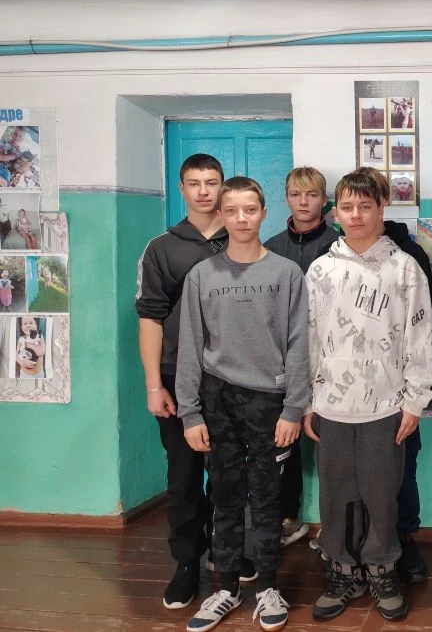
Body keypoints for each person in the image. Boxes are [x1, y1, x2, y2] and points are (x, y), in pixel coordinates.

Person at [175, 176, 307, 632]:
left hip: (270, 401)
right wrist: (190, 413)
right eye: (231, 210)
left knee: (268, 499)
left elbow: (298, 344)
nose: (241, 218)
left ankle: (268, 586)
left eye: (250, 209)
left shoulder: (286, 274)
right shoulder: (202, 275)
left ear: (264, 213)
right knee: (225, 498)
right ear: (221, 216)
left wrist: (293, 407)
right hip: (218, 399)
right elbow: (191, 346)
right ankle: (226, 588)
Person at [305, 169, 432, 623]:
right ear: (335, 213)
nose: (356, 214)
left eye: (365, 206)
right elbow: (308, 337)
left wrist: (415, 400)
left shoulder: (404, 268)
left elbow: (420, 336)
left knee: (381, 492)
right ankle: (343, 570)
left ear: (382, 208)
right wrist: (307, 401)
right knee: (336, 493)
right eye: (347, 207)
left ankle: (382, 568)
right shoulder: (320, 270)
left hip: (386, 405)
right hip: (331, 405)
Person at [136, 154, 257, 610]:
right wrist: (154, 385)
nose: (204, 191)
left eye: (212, 182)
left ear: (224, 187)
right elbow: (150, 318)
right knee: (184, 475)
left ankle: (225, 553)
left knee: (229, 474)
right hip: (177, 377)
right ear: (182, 188)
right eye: (194, 183)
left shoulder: (243, 237)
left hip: (233, 379)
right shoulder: (162, 248)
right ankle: (187, 561)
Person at [263, 167, 338, 549]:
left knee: (333, 443)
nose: (303, 201)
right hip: (284, 358)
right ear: (287, 199)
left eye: (311, 194)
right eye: (296, 194)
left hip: (333, 359)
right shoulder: (271, 247)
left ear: (324, 199)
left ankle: (336, 525)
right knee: (284, 441)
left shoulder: (341, 244)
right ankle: (287, 518)